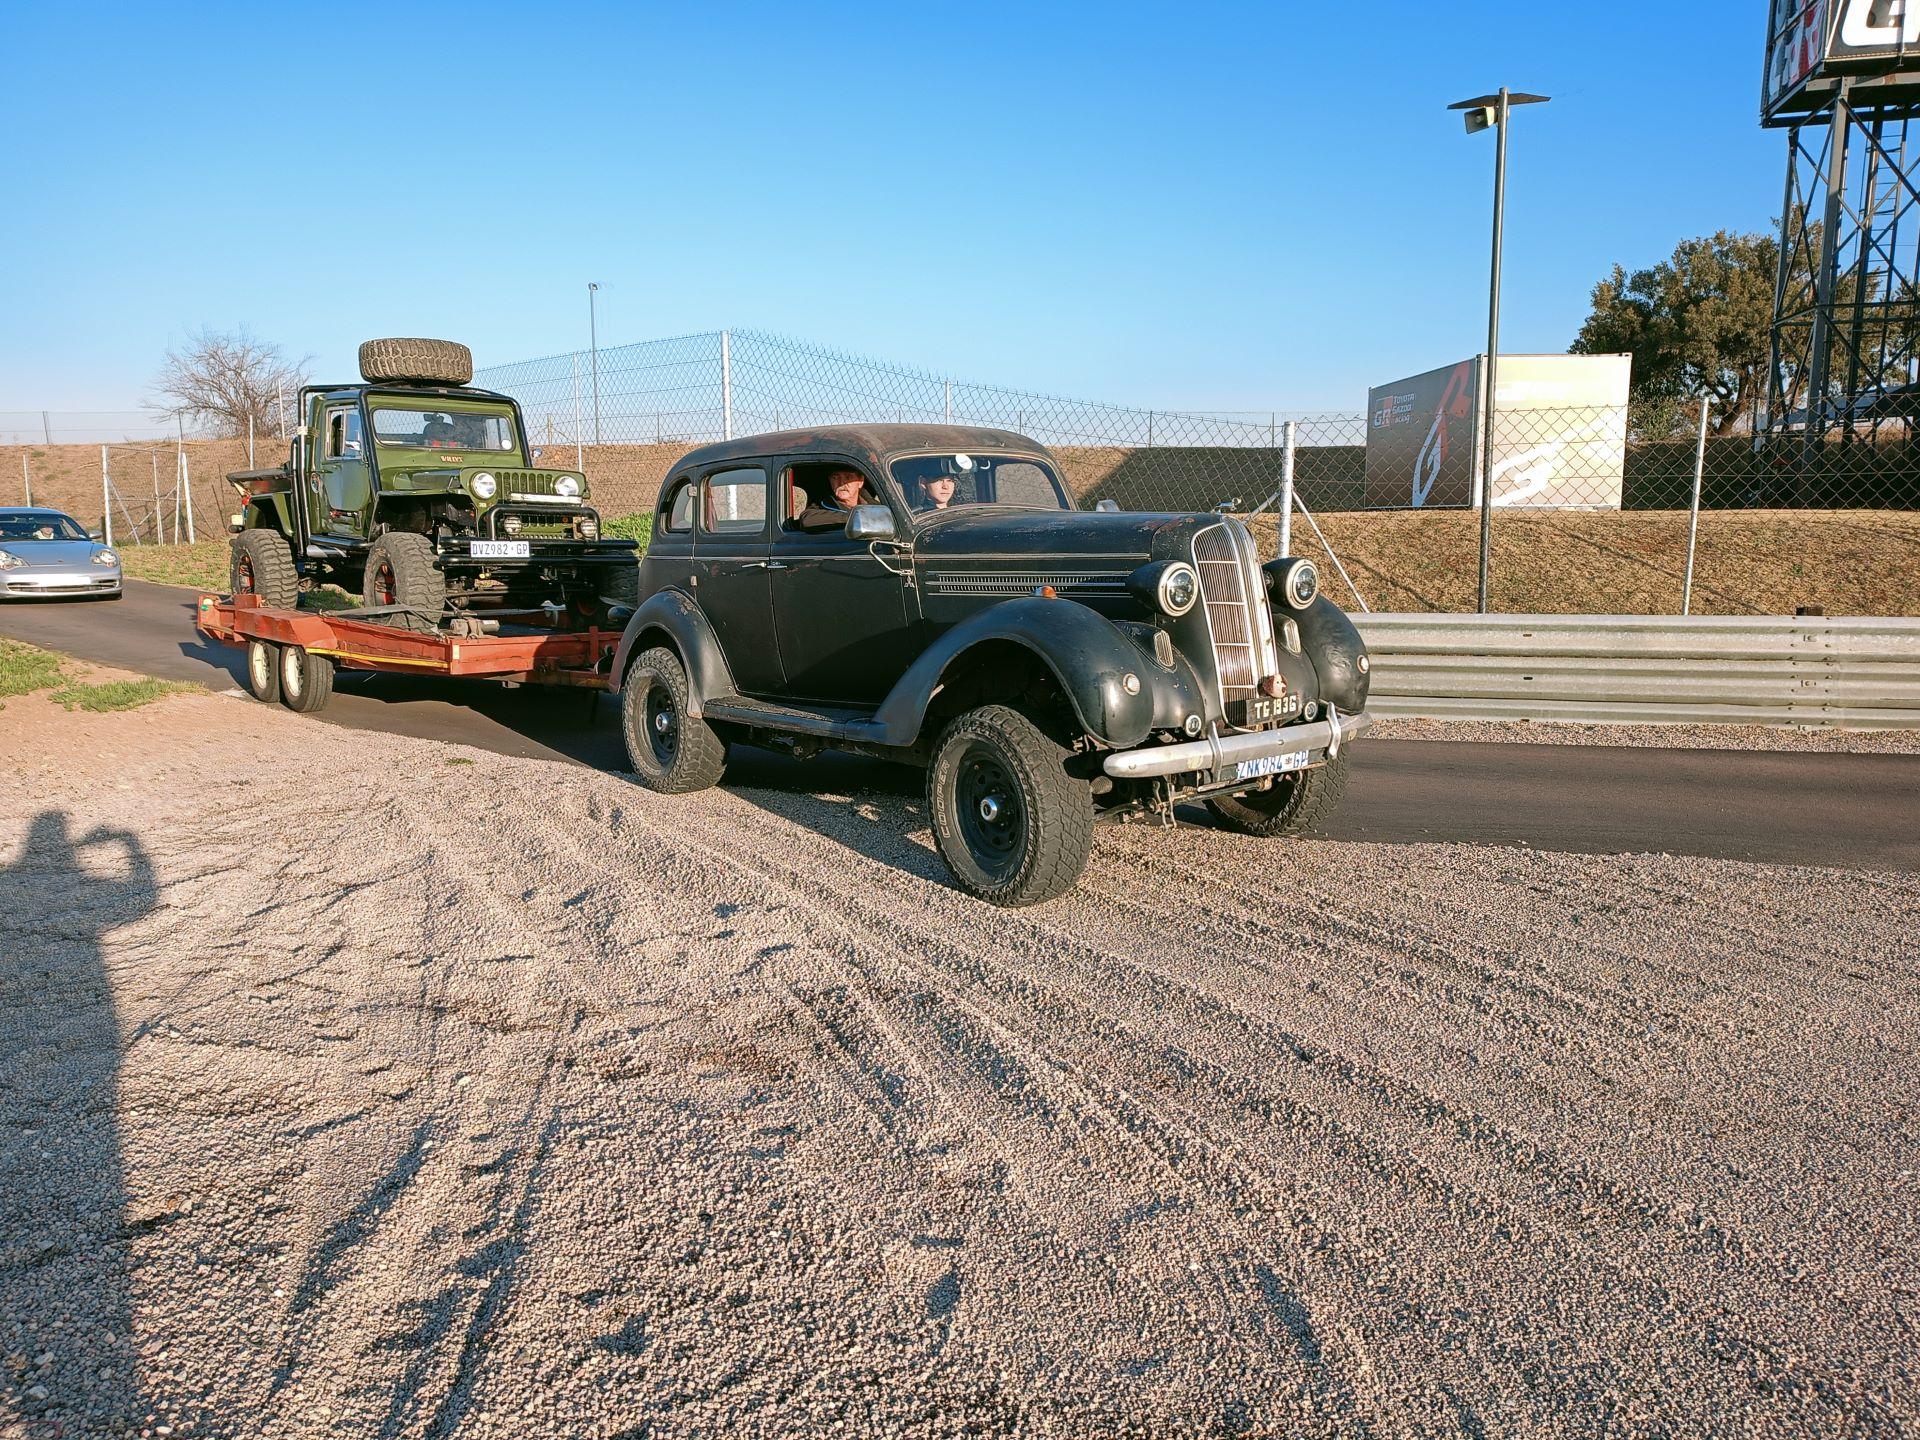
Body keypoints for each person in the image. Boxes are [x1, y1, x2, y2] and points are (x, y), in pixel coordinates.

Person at [795, 467, 876, 531]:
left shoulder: (876, 507)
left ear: (861, 481)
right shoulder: (822, 506)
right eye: (835, 478)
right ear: (830, 480)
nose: (841, 483)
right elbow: (807, 521)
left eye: (848, 477)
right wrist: (855, 517)